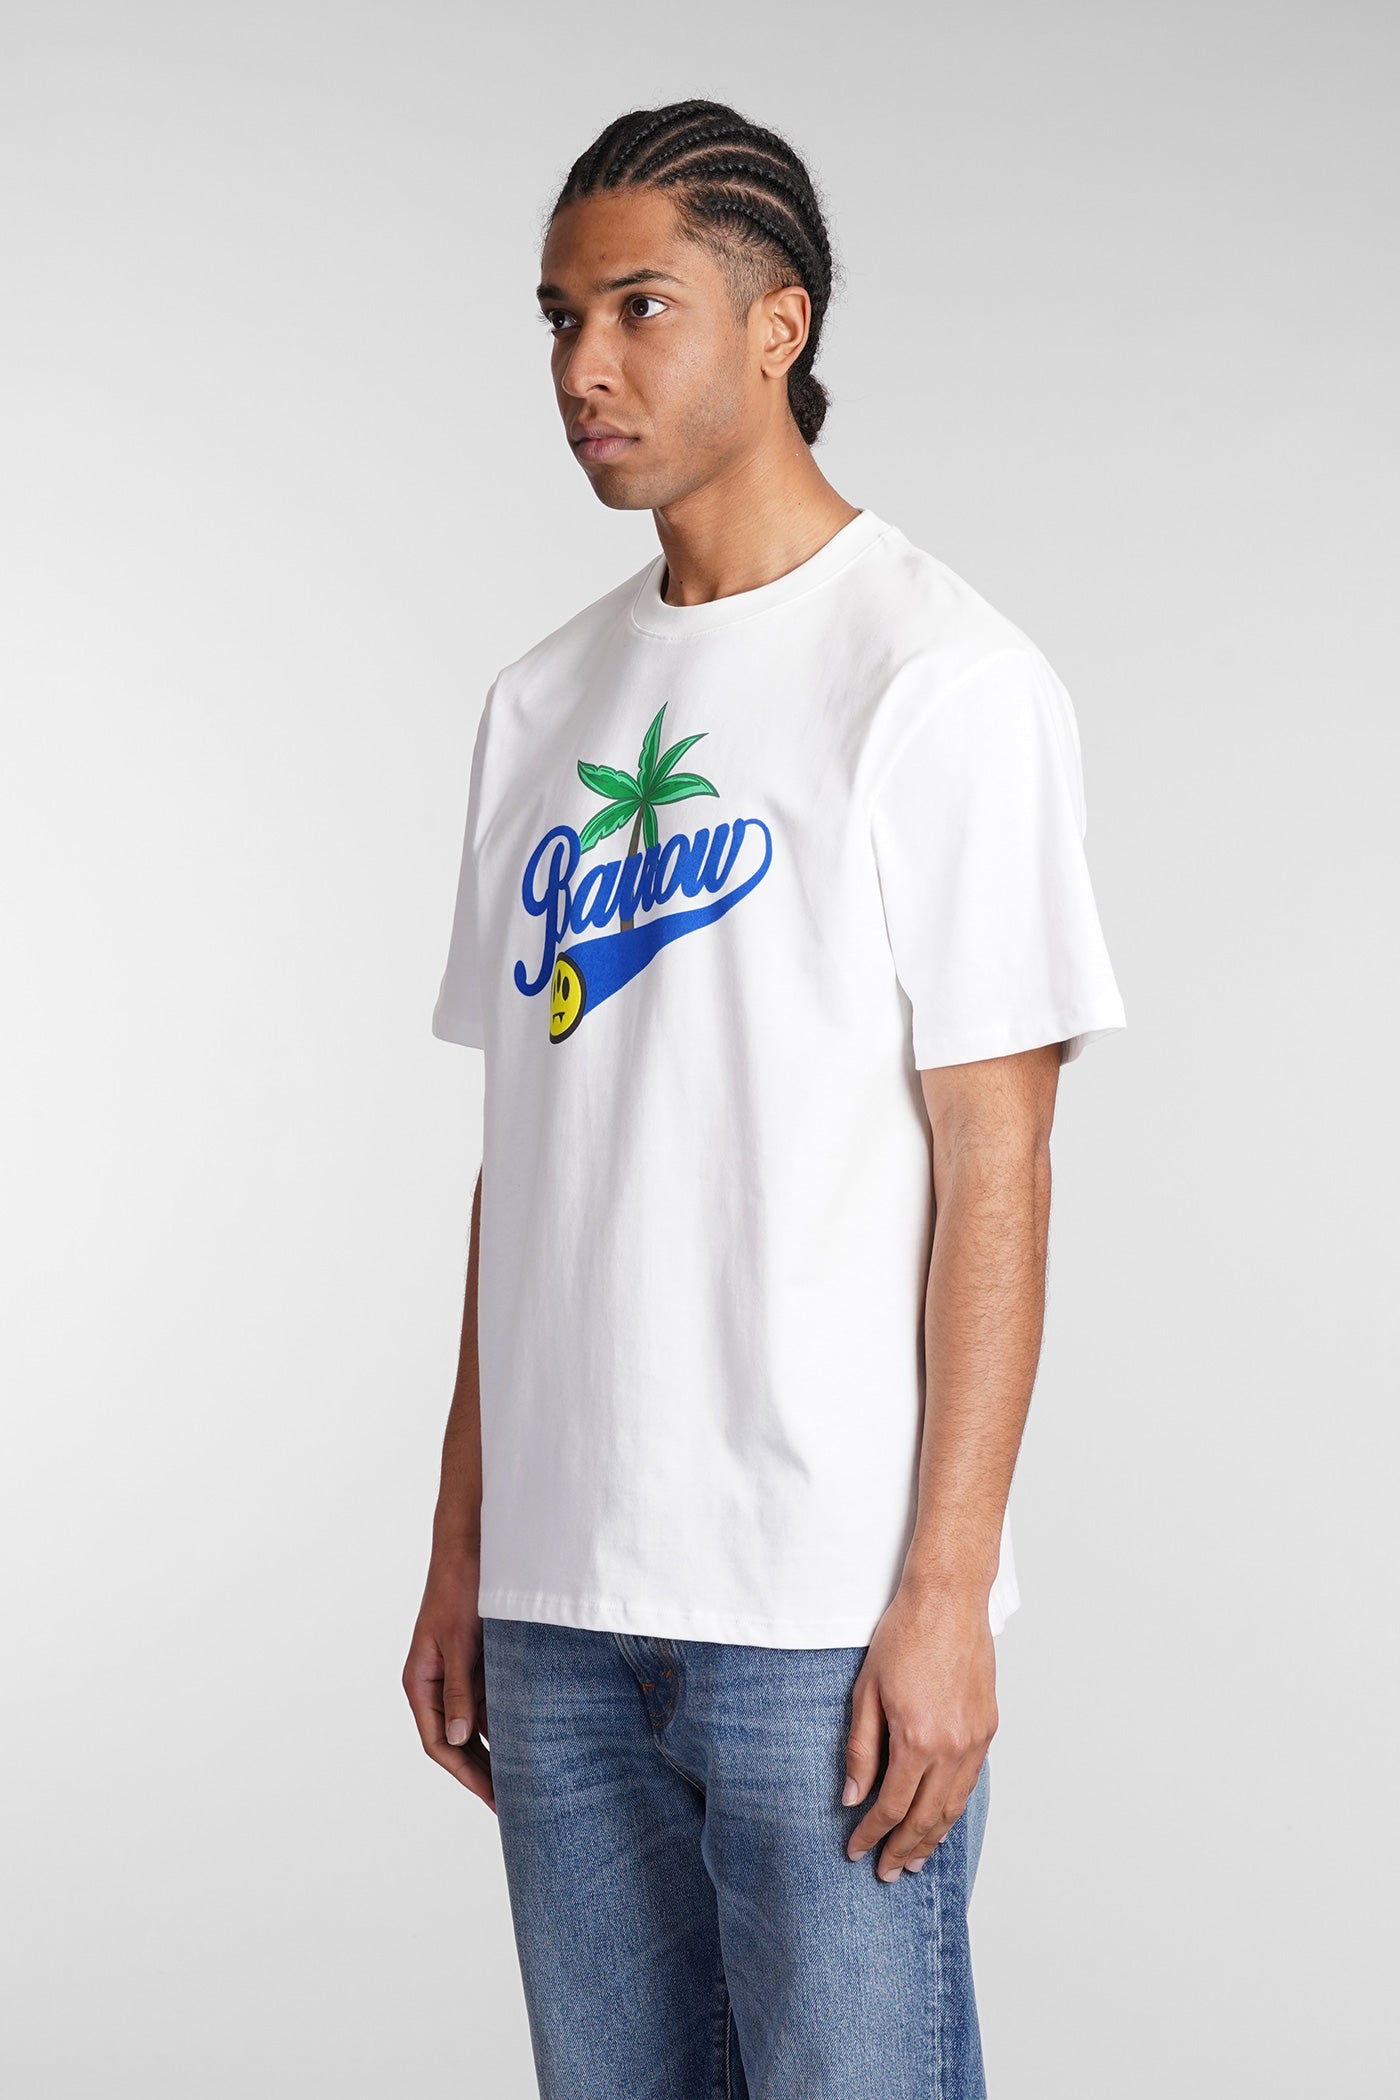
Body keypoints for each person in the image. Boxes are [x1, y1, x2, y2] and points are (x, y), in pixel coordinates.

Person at [403, 98, 1125, 2099]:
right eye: (558, 318)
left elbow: (998, 1157)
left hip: (817, 1614)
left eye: (639, 308)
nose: (584, 366)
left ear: (777, 323)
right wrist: (466, 1547)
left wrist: (946, 1595)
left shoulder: (939, 679)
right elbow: (525, 1168)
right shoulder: (538, 704)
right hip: (560, 1614)